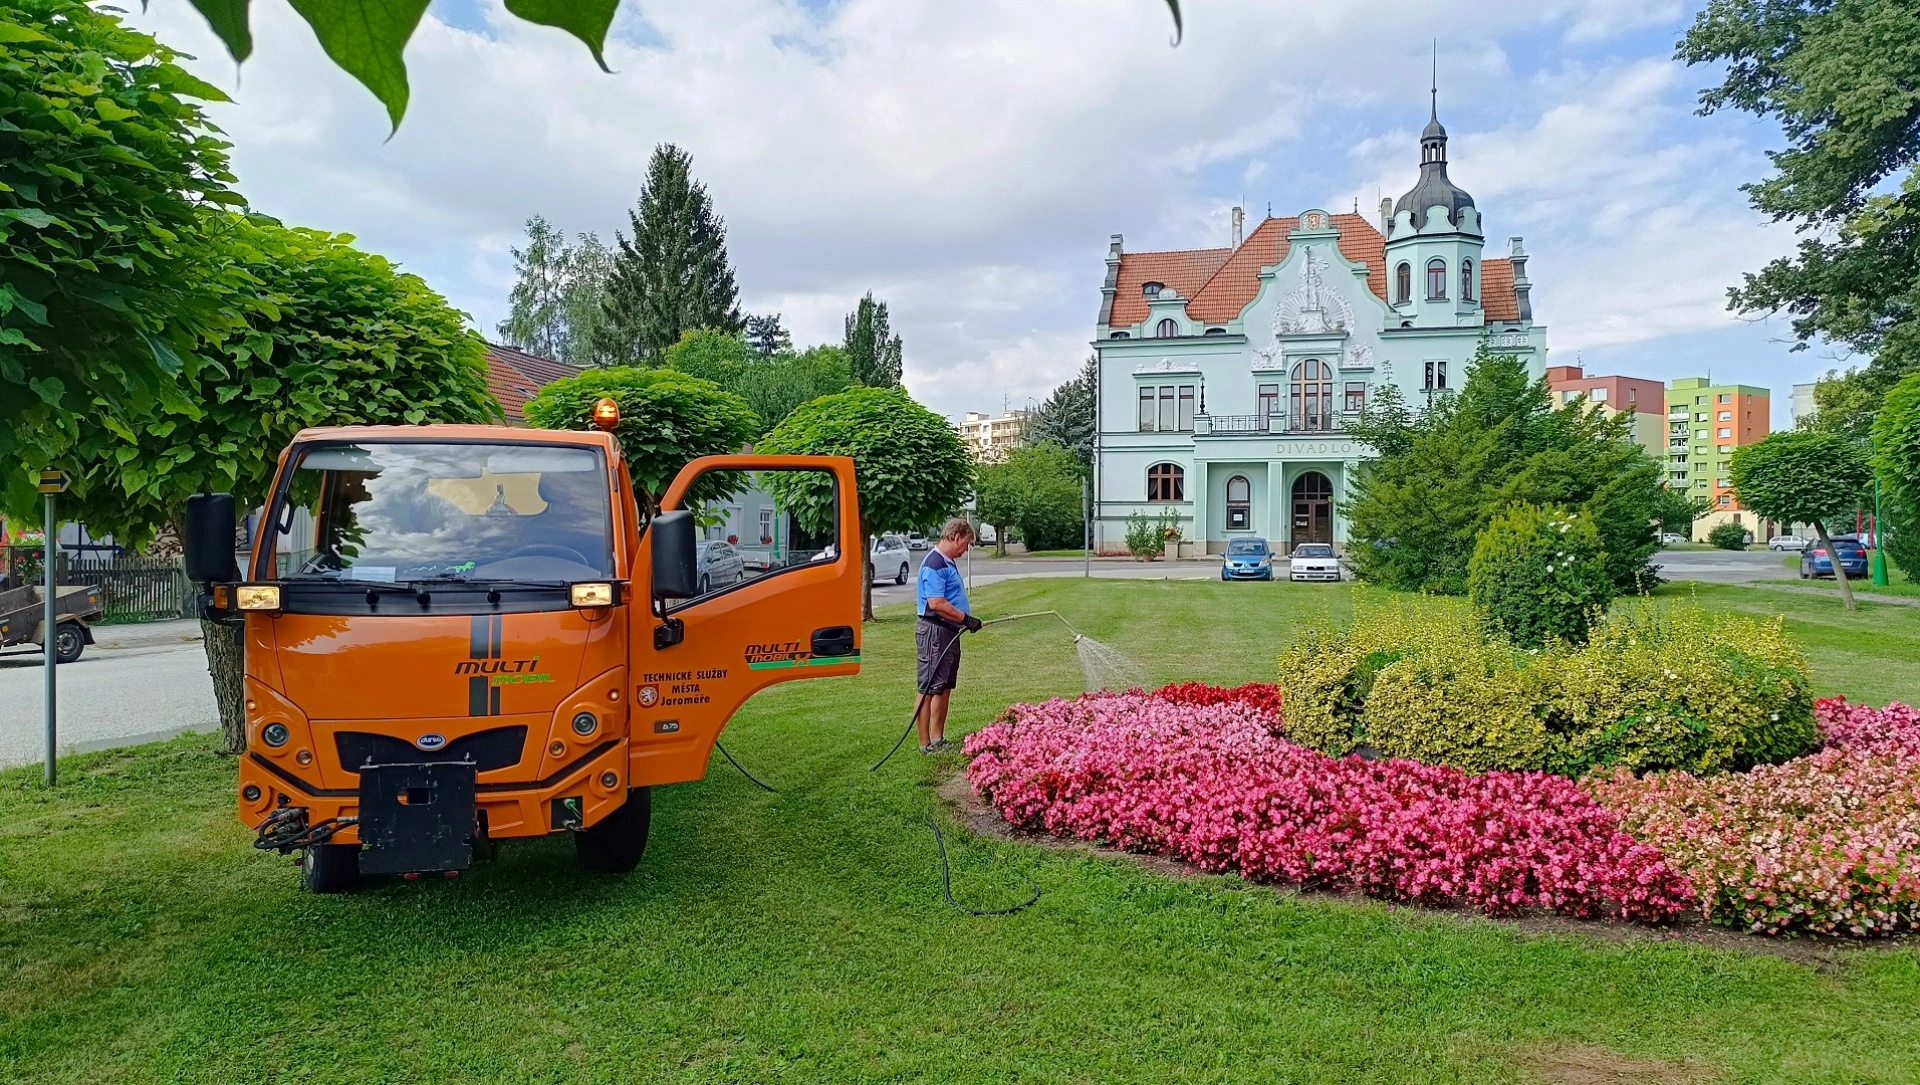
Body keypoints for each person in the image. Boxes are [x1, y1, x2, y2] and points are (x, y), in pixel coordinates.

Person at [914, 518, 981, 753]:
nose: (966, 550)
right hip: (935, 632)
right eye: (967, 543)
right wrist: (966, 619)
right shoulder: (935, 563)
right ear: (957, 537)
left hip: (949, 632)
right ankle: (925, 744)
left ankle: (938, 739)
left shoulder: (946, 562)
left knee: (944, 687)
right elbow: (936, 603)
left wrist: (963, 621)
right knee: (928, 688)